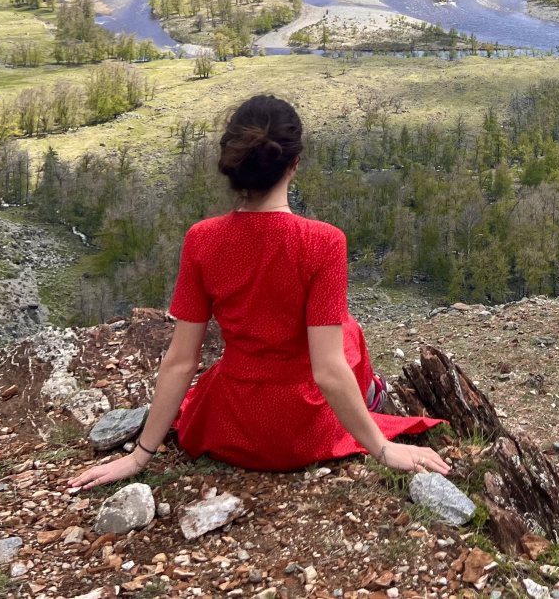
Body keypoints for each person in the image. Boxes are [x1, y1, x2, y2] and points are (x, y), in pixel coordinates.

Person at [70, 94, 447, 489]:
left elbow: (181, 361)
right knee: (347, 331)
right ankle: (371, 397)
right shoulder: (323, 242)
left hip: (233, 425)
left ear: (233, 168)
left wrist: (139, 456)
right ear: (294, 163)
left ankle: (367, 395)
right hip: (304, 432)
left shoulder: (202, 239)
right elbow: (327, 370)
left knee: (330, 333)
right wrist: (383, 449)